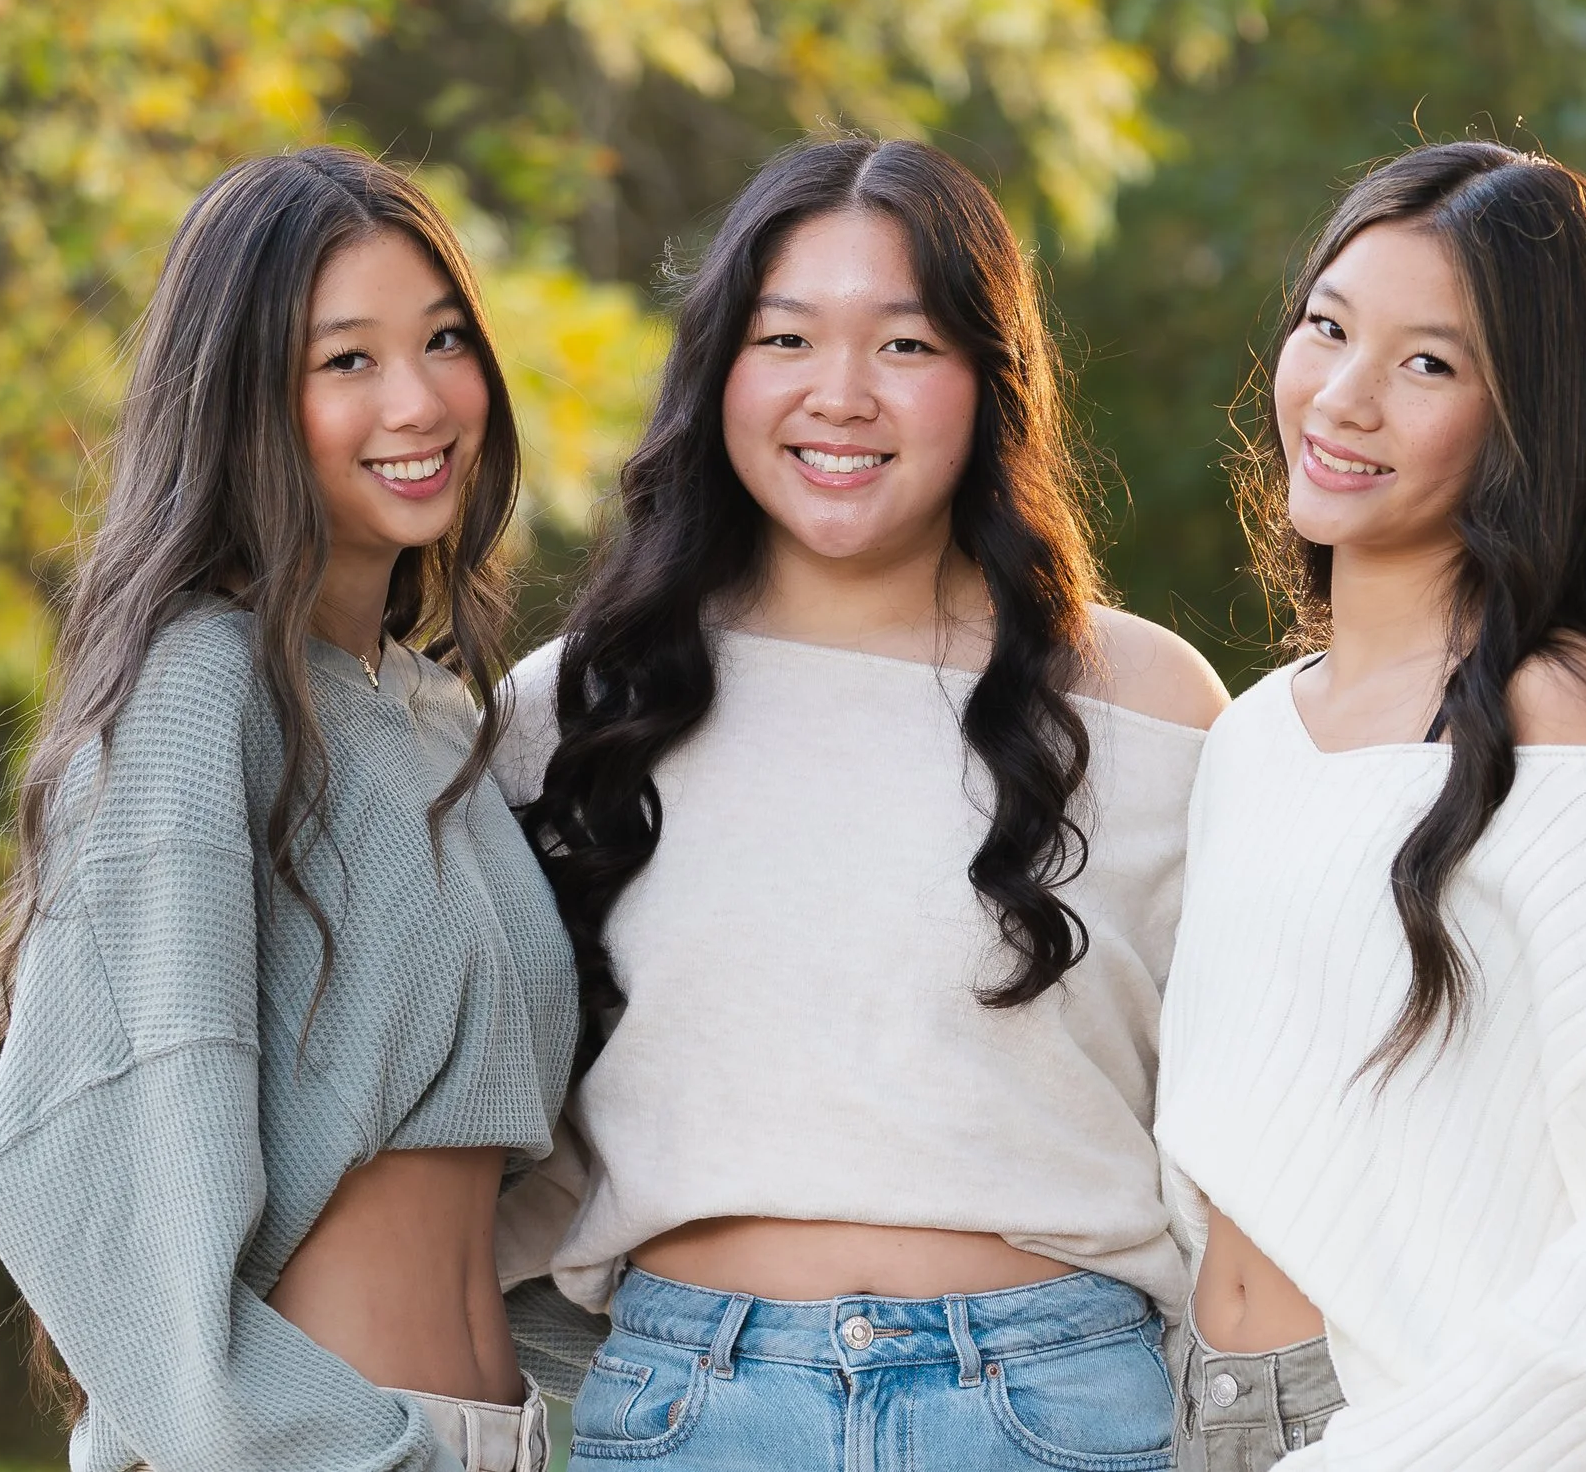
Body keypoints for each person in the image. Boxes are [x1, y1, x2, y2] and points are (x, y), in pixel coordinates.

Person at [492, 135, 1226, 1470]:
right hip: (684, 1406)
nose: (840, 395)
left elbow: (1254, 1132)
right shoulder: (574, 709)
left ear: (989, 381)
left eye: (905, 344)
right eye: (786, 338)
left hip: (1056, 1406)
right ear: (719, 369)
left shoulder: (1151, 704)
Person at [0, 148, 577, 1472]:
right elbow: (74, 1155)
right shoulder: (197, 689)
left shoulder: (442, 717)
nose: (419, 397)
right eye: (347, 360)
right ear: (244, 401)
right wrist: (352, 1450)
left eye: (444, 340)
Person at [1155, 141, 1586, 1471]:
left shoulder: (1559, 711)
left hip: (1402, 1427)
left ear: (1527, 421)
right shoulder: (1254, 737)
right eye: (1327, 327)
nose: (1341, 396)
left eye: (1427, 364)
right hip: (1185, 1417)